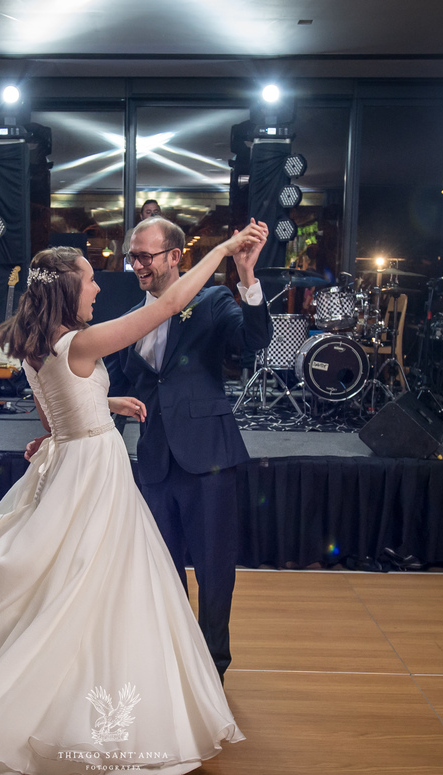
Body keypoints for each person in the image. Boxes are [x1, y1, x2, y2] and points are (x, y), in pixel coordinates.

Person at [0, 223, 269, 775]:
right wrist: (221, 248)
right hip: (98, 473)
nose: (101, 286)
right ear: (68, 290)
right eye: (92, 280)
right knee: (95, 586)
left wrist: (104, 401)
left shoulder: (35, 343)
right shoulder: (83, 341)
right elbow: (169, 305)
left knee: (80, 582)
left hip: (87, 460)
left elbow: (59, 411)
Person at [104, 215, 272, 680]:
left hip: (209, 459)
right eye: (132, 257)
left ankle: (213, 668)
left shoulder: (212, 300)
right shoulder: (130, 319)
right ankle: (176, 666)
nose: (137, 265)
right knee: (162, 570)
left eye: (145, 256)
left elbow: (254, 341)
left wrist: (246, 277)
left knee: (215, 571)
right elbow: (115, 391)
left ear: (175, 256)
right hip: (154, 462)